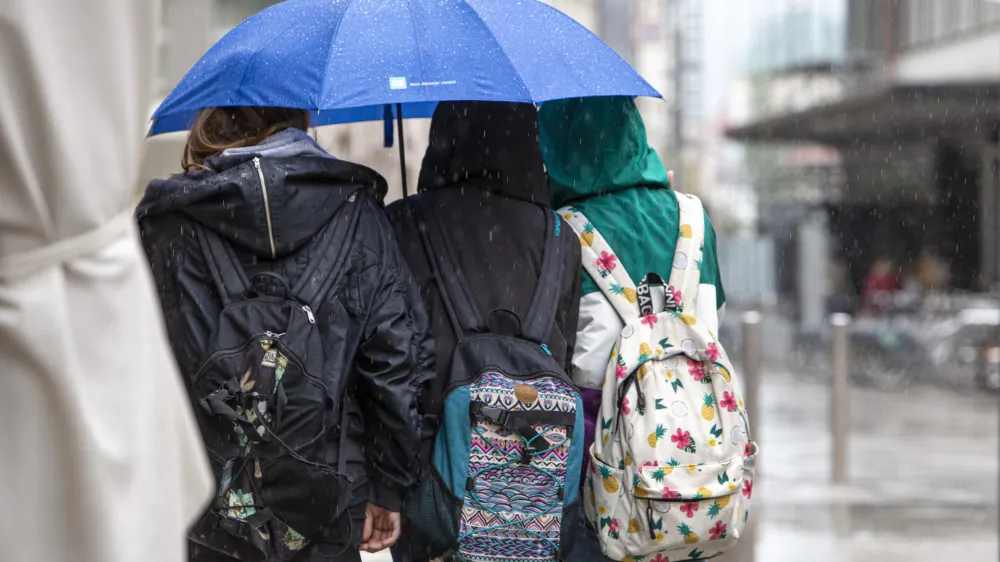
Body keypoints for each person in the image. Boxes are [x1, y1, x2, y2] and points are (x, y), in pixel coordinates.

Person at [136, 107, 433, 562]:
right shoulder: (359, 216)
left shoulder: (167, 224)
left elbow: (137, 366)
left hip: (205, 497)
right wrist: (389, 485)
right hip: (330, 494)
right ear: (300, 117)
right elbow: (394, 363)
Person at [0, 1, 212, 561]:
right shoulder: (360, 215)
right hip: (317, 466)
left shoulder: (165, 215)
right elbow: (386, 350)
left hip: (217, 430)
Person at [384, 101, 583, 562]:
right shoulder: (560, 236)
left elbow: (388, 358)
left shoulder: (405, 222)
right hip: (536, 488)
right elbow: (564, 361)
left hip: (430, 479)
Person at [537, 96, 727, 562]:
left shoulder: (561, 229)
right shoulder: (693, 216)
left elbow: (551, 345)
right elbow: (712, 313)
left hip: (601, 461)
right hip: (692, 456)